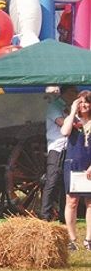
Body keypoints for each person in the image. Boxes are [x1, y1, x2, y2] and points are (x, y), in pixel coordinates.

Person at [60, 91, 91, 250]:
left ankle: (89, 239)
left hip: (89, 165)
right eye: (81, 102)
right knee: (71, 202)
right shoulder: (71, 120)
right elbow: (64, 132)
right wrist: (72, 111)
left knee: (90, 203)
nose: (84, 105)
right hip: (73, 164)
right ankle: (72, 239)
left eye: (87, 102)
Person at [41, 86, 77, 222]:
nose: (76, 94)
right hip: (56, 148)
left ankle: (63, 215)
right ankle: (44, 215)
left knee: (65, 183)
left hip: (70, 149)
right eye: (74, 92)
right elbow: (62, 123)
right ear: (65, 93)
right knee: (52, 181)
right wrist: (73, 114)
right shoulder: (54, 107)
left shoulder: (70, 107)